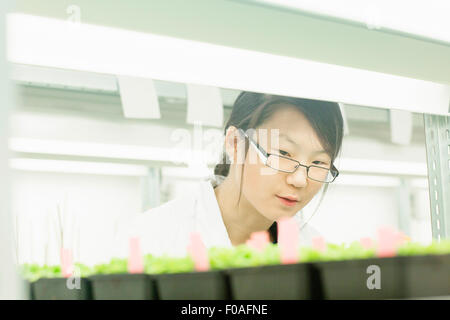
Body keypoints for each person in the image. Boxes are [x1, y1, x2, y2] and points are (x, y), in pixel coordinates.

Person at [112, 91, 344, 258]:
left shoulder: (315, 250)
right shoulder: (150, 238)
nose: (300, 180)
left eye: (318, 162)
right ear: (235, 143)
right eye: (283, 153)